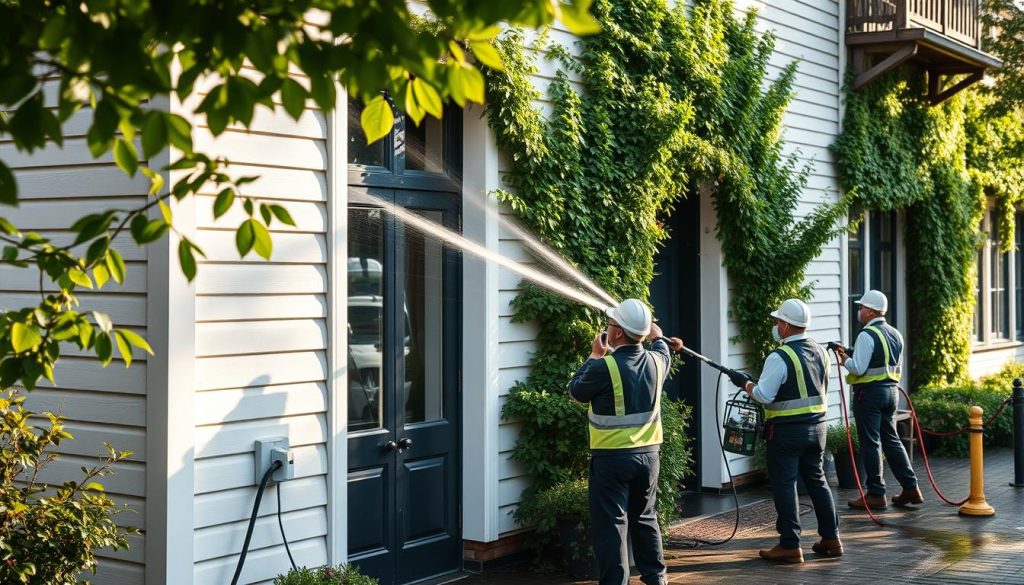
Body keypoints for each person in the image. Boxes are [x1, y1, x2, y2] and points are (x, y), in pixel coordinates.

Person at [569, 298, 684, 585]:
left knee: (612, 526)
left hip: (611, 460)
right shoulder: (659, 361)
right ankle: (656, 577)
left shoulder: (603, 366)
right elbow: (661, 345)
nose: (606, 329)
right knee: (645, 517)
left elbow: (576, 392)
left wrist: (595, 355)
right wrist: (658, 335)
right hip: (648, 457)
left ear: (618, 333)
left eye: (610, 325)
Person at [736, 298, 841, 563]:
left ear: (785, 325)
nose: (775, 325)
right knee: (818, 481)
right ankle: (831, 538)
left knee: (785, 485)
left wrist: (746, 384)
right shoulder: (819, 350)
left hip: (786, 433)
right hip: (817, 429)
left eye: (777, 321)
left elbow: (764, 395)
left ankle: (790, 544)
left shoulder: (779, 356)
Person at [835, 290, 922, 509]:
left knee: (871, 442)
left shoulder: (866, 334)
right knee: (891, 440)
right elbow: (881, 360)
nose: (859, 310)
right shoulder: (894, 333)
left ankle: (876, 493)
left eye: (861, 307)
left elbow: (859, 368)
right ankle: (911, 487)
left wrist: (845, 358)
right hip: (891, 392)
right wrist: (852, 352)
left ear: (871, 311)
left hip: (870, 395)